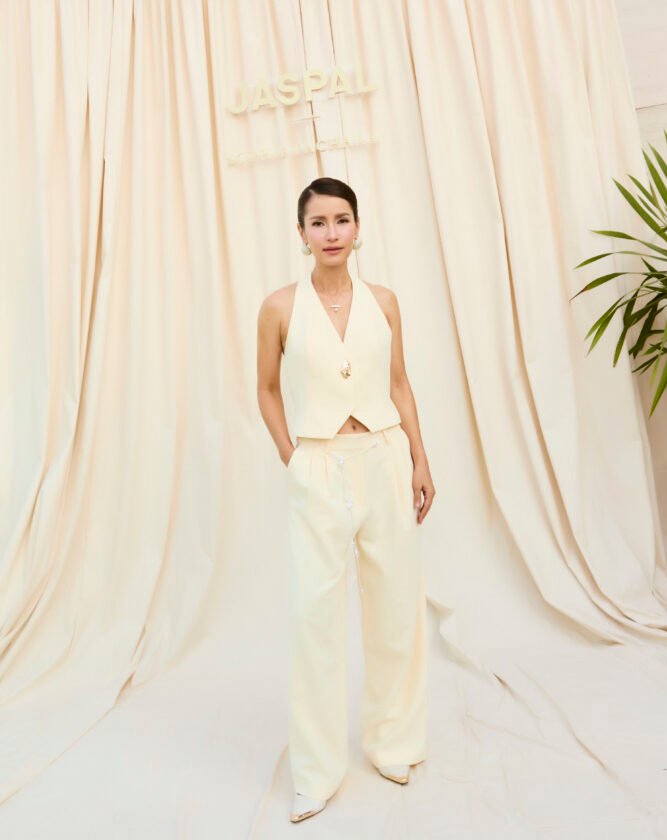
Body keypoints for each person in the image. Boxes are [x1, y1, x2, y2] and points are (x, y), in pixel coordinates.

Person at [256, 177, 436, 823]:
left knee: (396, 607)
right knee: (315, 619)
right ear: (301, 233)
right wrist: (293, 457)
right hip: (319, 465)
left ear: (358, 228)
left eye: (341, 219)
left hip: (384, 457)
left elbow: (399, 382)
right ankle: (316, 771)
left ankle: (394, 743)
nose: (331, 232)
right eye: (318, 222)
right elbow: (266, 388)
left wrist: (419, 457)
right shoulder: (279, 307)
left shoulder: (384, 301)